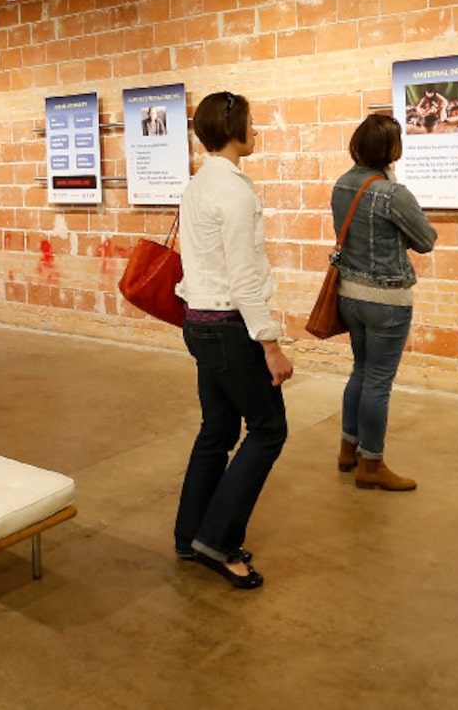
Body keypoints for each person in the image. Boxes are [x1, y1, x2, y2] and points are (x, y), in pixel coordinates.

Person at [171, 91, 291, 591]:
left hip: (198, 322)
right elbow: (243, 278)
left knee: (217, 429)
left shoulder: (197, 184)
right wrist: (270, 343)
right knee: (268, 430)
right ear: (233, 128)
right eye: (252, 122)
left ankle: (189, 535)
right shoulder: (236, 191)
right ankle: (217, 541)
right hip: (228, 326)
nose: (257, 130)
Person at [331, 115, 438, 491]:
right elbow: (426, 240)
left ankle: (349, 449)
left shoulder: (342, 184)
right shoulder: (395, 194)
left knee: (360, 372)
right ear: (391, 150)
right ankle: (371, 465)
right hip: (387, 301)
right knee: (378, 382)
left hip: (349, 296)